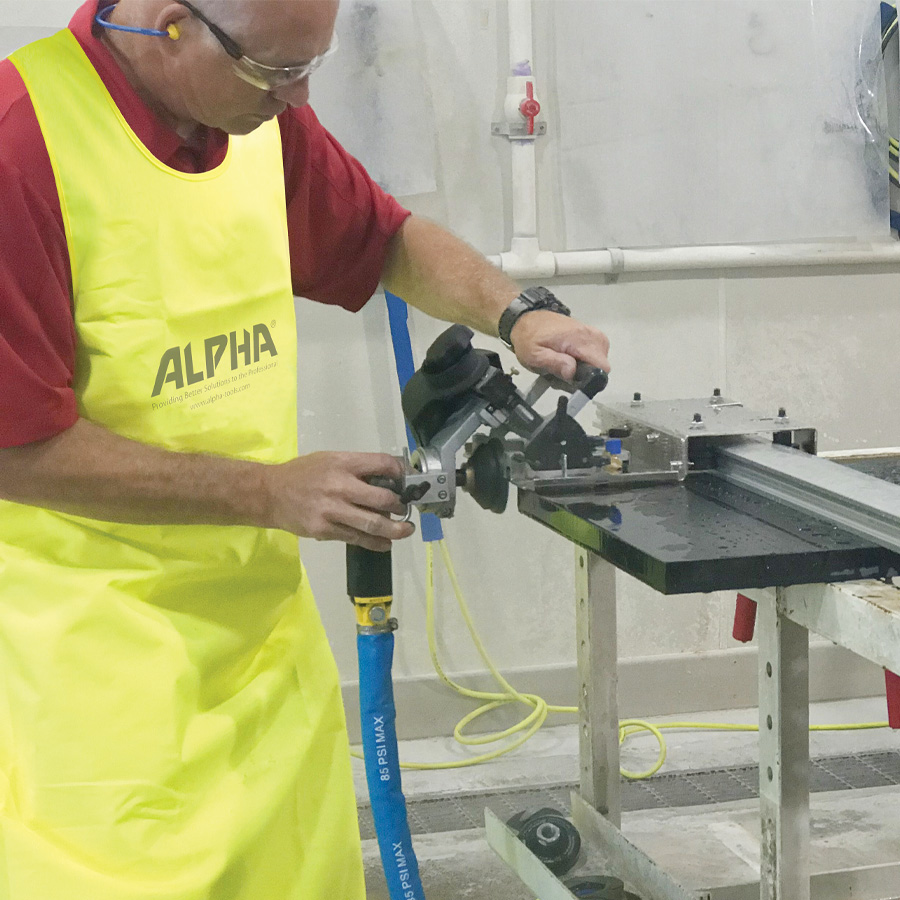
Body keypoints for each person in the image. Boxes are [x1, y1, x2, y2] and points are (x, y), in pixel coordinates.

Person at [0, 1, 611, 897]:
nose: (298, 97)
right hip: (97, 676)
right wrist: (266, 492)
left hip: (261, 649)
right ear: (173, 25)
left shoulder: (251, 119)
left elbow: (385, 240)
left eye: (309, 67)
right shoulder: (24, 145)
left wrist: (516, 314)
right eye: (277, 72)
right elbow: (17, 449)